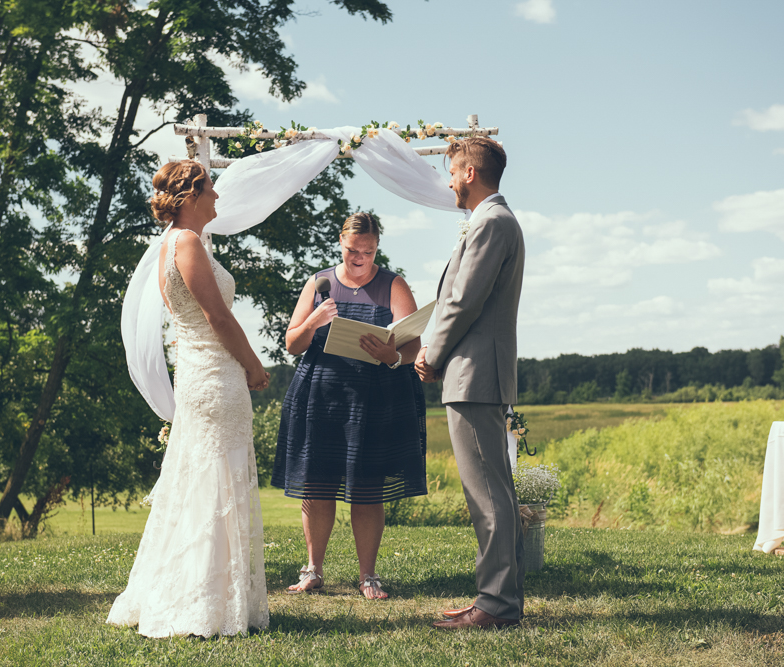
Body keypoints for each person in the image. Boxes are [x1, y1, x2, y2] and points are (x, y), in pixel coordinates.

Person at [107, 160, 270, 637]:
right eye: (212, 190)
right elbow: (218, 318)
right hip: (213, 373)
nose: (218, 198)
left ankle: (209, 592)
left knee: (207, 477)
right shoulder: (187, 243)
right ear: (192, 194)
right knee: (215, 478)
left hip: (203, 373)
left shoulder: (174, 244)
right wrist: (255, 366)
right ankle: (201, 599)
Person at [271, 212, 427, 600]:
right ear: (340, 243)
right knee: (317, 483)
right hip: (321, 397)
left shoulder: (393, 284)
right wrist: (315, 321)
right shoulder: (318, 283)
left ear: (377, 247)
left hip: (375, 400)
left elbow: (411, 346)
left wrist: (392, 354)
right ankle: (312, 570)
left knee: (367, 488)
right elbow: (291, 344)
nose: (360, 258)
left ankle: (369, 576)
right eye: (353, 250)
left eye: (369, 251)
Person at [415, 136, 525, 630]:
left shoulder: (492, 223)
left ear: (470, 173)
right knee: (487, 490)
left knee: (488, 494)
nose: (450, 181)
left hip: (475, 373)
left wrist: (431, 353)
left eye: (452, 171)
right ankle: (492, 597)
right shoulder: (490, 222)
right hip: (474, 373)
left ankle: (497, 606)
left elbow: (463, 300)